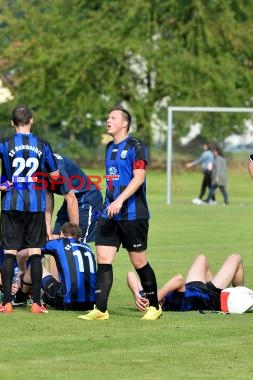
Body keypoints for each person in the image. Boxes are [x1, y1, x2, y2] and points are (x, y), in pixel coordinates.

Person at [79, 105, 162, 321]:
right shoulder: (108, 147)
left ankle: (155, 306)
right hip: (110, 213)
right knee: (104, 259)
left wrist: (120, 200)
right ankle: (101, 310)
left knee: (139, 262)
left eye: (113, 118)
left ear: (124, 123)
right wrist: (109, 203)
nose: (108, 120)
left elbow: (139, 178)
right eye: (108, 117)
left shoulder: (137, 146)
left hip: (133, 214)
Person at [0, 105, 59, 314]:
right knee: (35, 251)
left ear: (12, 123)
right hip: (36, 206)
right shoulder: (43, 144)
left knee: (9, 251)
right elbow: (56, 176)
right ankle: (37, 303)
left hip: (10, 204)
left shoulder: (5, 144)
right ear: (31, 120)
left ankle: (6, 303)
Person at [127, 254, 246, 312]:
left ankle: (222, 286)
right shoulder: (175, 303)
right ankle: (240, 295)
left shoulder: (145, 297)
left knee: (202, 258)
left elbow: (130, 275)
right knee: (236, 258)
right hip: (211, 295)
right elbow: (179, 279)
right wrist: (157, 297)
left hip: (194, 286)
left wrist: (137, 295)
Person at [46, 154, 103, 243]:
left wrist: (74, 233)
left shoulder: (58, 168)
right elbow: (48, 196)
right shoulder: (38, 165)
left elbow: (72, 200)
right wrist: (47, 225)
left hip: (87, 198)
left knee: (76, 241)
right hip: (70, 198)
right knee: (55, 239)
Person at [0, 241, 27, 305]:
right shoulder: (1, 244)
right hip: (4, 283)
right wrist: (6, 285)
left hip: (23, 284)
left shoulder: (30, 244)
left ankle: (25, 297)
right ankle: (2, 297)